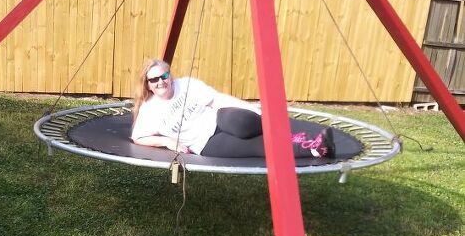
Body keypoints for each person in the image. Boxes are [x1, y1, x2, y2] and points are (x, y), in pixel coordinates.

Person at [131, 59, 335, 159]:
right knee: (258, 146)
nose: (161, 82)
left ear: (170, 75)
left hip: (218, 119)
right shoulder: (150, 110)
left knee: (244, 122)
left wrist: (255, 111)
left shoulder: (186, 84)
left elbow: (218, 99)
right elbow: (138, 137)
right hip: (206, 142)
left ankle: (287, 134)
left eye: (164, 76)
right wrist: (167, 141)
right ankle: (316, 149)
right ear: (148, 84)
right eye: (154, 79)